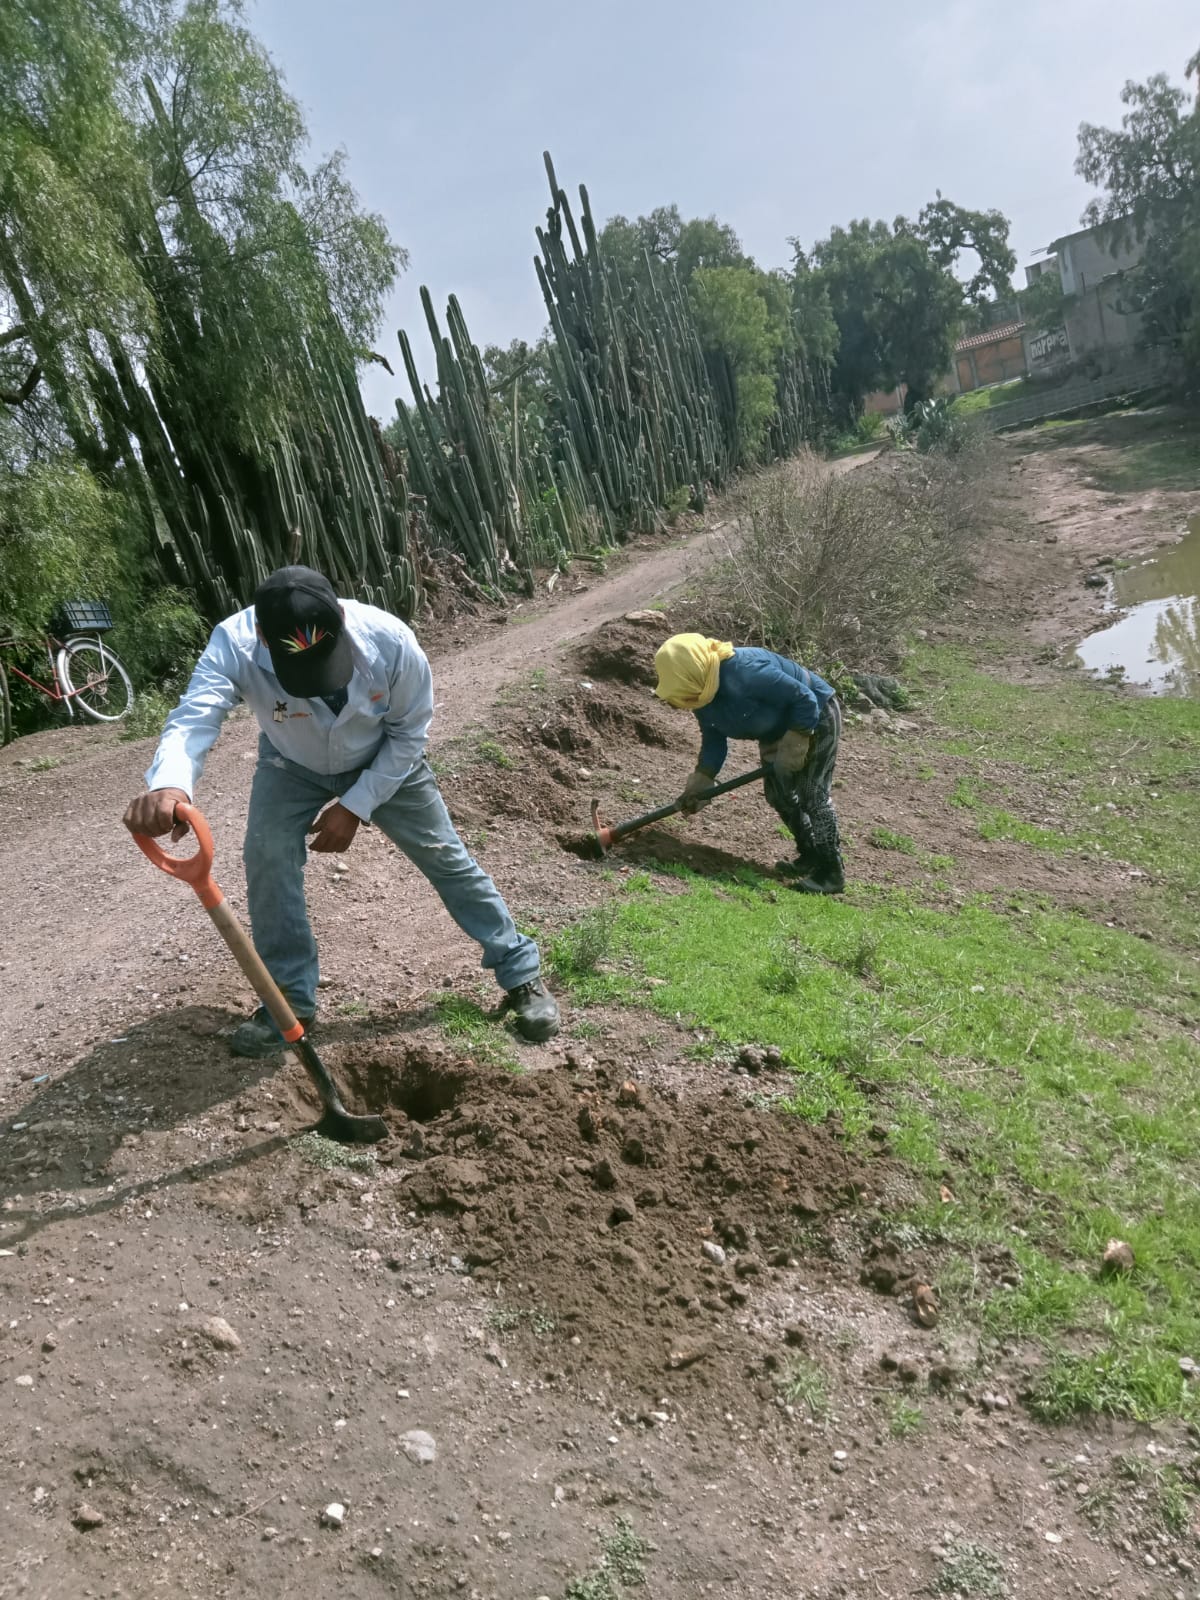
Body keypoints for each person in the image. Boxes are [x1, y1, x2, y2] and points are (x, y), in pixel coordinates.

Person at [122, 566, 559, 1053]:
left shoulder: (390, 641)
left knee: (445, 856)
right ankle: (288, 1002)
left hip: (384, 758)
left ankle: (520, 973)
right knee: (267, 858)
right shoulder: (233, 641)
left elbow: (410, 734)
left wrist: (354, 806)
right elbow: (195, 714)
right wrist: (169, 784)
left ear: (341, 619)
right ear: (263, 637)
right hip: (291, 763)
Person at [653, 632, 845, 894]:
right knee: (778, 794)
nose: (685, 701)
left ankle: (830, 872)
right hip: (776, 729)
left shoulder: (745, 671)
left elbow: (805, 698)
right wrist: (703, 777)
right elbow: (714, 738)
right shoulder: (700, 692)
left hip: (815, 715)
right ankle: (810, 853)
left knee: (812, 793)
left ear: (694, 670)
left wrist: (798, 739)